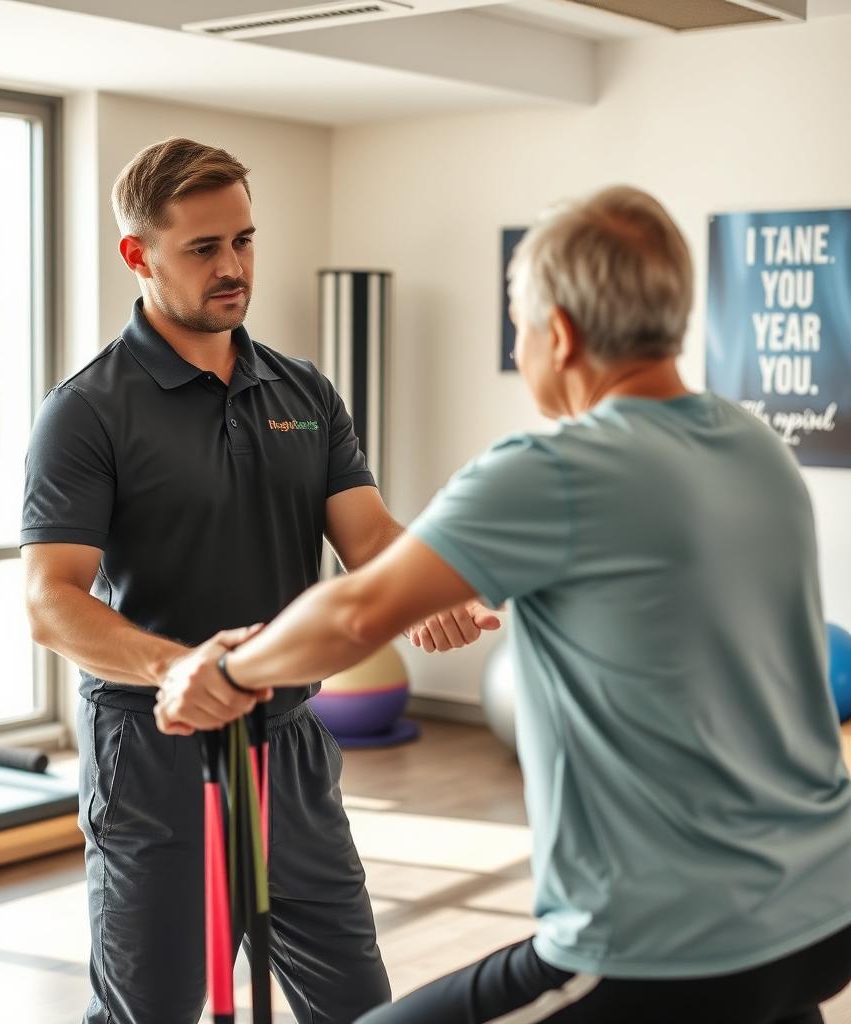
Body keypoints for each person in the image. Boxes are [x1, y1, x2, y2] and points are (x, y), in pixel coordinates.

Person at [157, 186, 851, 1024]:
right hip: (819, 913)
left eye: (518, 323)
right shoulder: (752, 447)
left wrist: (227, 666)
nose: (521, 349)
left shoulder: (557, 467)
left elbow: (354, 615)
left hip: (662, 947)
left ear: (558, 333)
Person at [21, 137, 498, 1024]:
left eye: (244, 240)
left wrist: (437, 593)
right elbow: (50, 602)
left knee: (356, 1006)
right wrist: (176, 669)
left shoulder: (303, 391)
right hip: (153, 756)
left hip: (289, 742)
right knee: (150, 1011)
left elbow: (371, 537)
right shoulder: (87, 410)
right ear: (139, 254)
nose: (234, 266)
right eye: (204, 248)